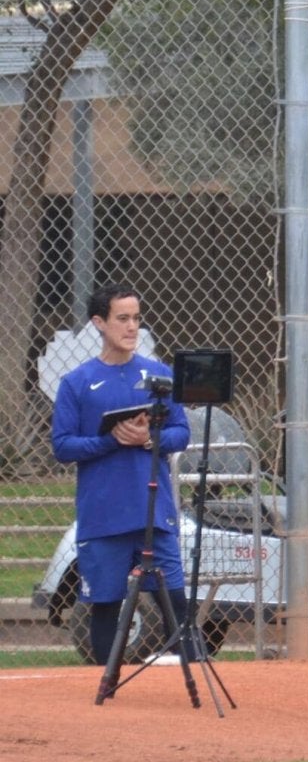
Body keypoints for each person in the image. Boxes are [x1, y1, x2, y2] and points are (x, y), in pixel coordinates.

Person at [51, 283, 191, 665]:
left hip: (151, 511)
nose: (132, 327)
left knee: (174, 597)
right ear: (99, 322)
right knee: (105, 602)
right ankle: (105, 687)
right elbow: (62, 446)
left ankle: (194, 675)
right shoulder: (77, 383)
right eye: (122, 319)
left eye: (136, 318)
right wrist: (111, 440)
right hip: (102, 515)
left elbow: (182, 432)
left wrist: (150, 438)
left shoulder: (158, 375)